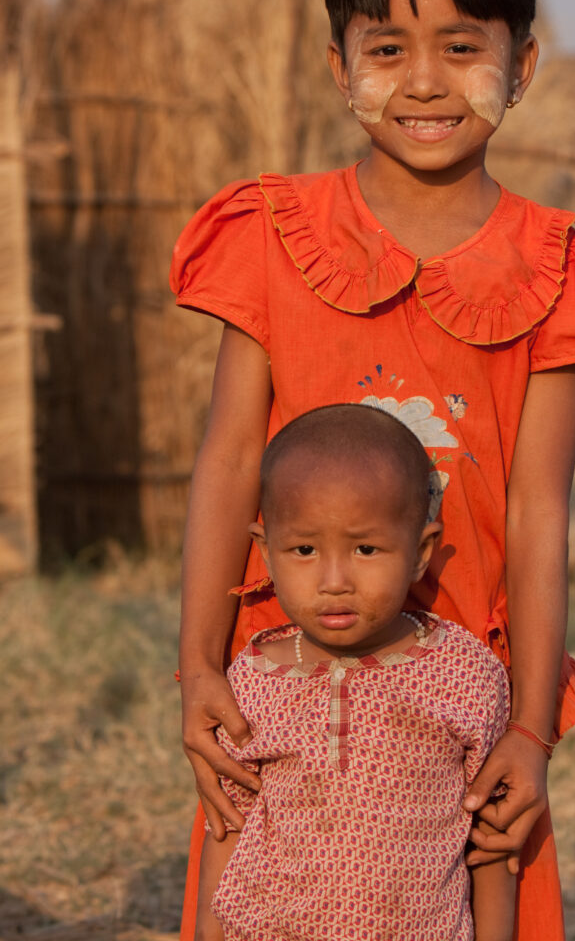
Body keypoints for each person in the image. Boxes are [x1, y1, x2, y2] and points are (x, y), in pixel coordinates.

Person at [171, 0, 575, 941]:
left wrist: (527, 727)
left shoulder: (557, 271)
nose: (424, 81)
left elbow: (535, 514)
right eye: (387, 48)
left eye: (461, 47)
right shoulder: (272, 237)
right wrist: (200, 666)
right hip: (286, 680)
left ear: (520, 68)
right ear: (339, 67)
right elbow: (224, 464)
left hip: (464, 710)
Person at [195, 403, 515, 941]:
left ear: (420, 553)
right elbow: (227, 825)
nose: (335, 580)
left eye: (366, 548)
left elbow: (491, 838)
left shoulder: (463, 673)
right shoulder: (250, 681)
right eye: (303, 549)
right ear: (265, 552)